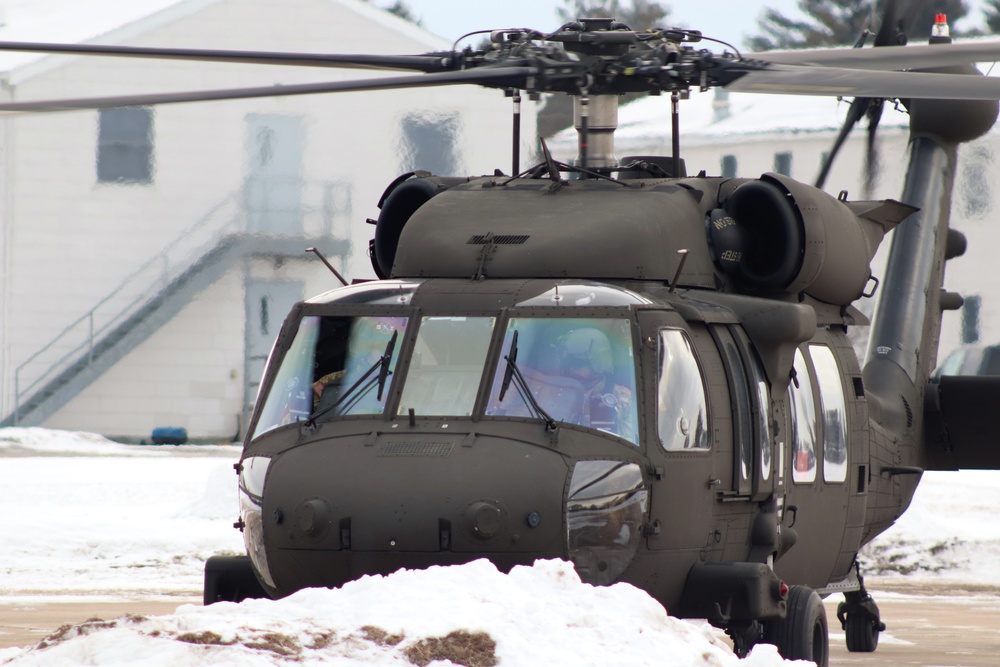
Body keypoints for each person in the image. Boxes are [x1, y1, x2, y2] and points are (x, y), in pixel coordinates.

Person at [557, 327, 635, 440]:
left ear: (598, 363)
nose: (571, 369)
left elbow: (629, 442)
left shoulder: (622, 399)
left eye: (577, 363)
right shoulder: (558, 393)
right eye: (568, 363)